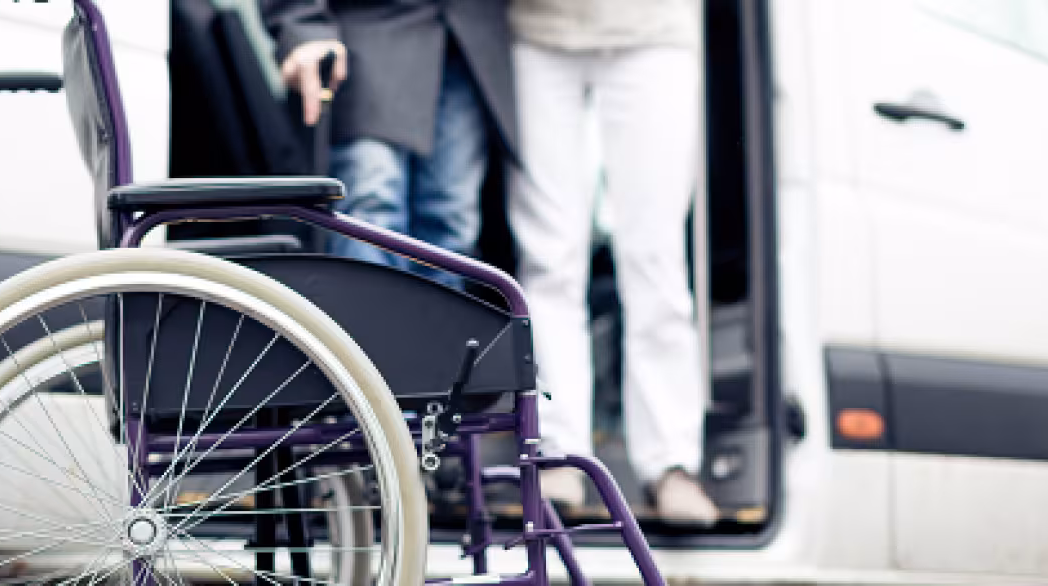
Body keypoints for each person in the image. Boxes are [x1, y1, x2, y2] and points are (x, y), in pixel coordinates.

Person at [505, 0, 718, 526]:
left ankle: (671, 462)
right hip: (536, 28)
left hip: (654, 29)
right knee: (549, 257)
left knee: (654, 255)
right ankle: (558, 451)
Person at [261, 0, 518, 290]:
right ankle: (366, 333)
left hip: (470, 37)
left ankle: (435, 335)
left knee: (451, 221)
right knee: (372, 211)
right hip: (368, 32)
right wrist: (301, 25)